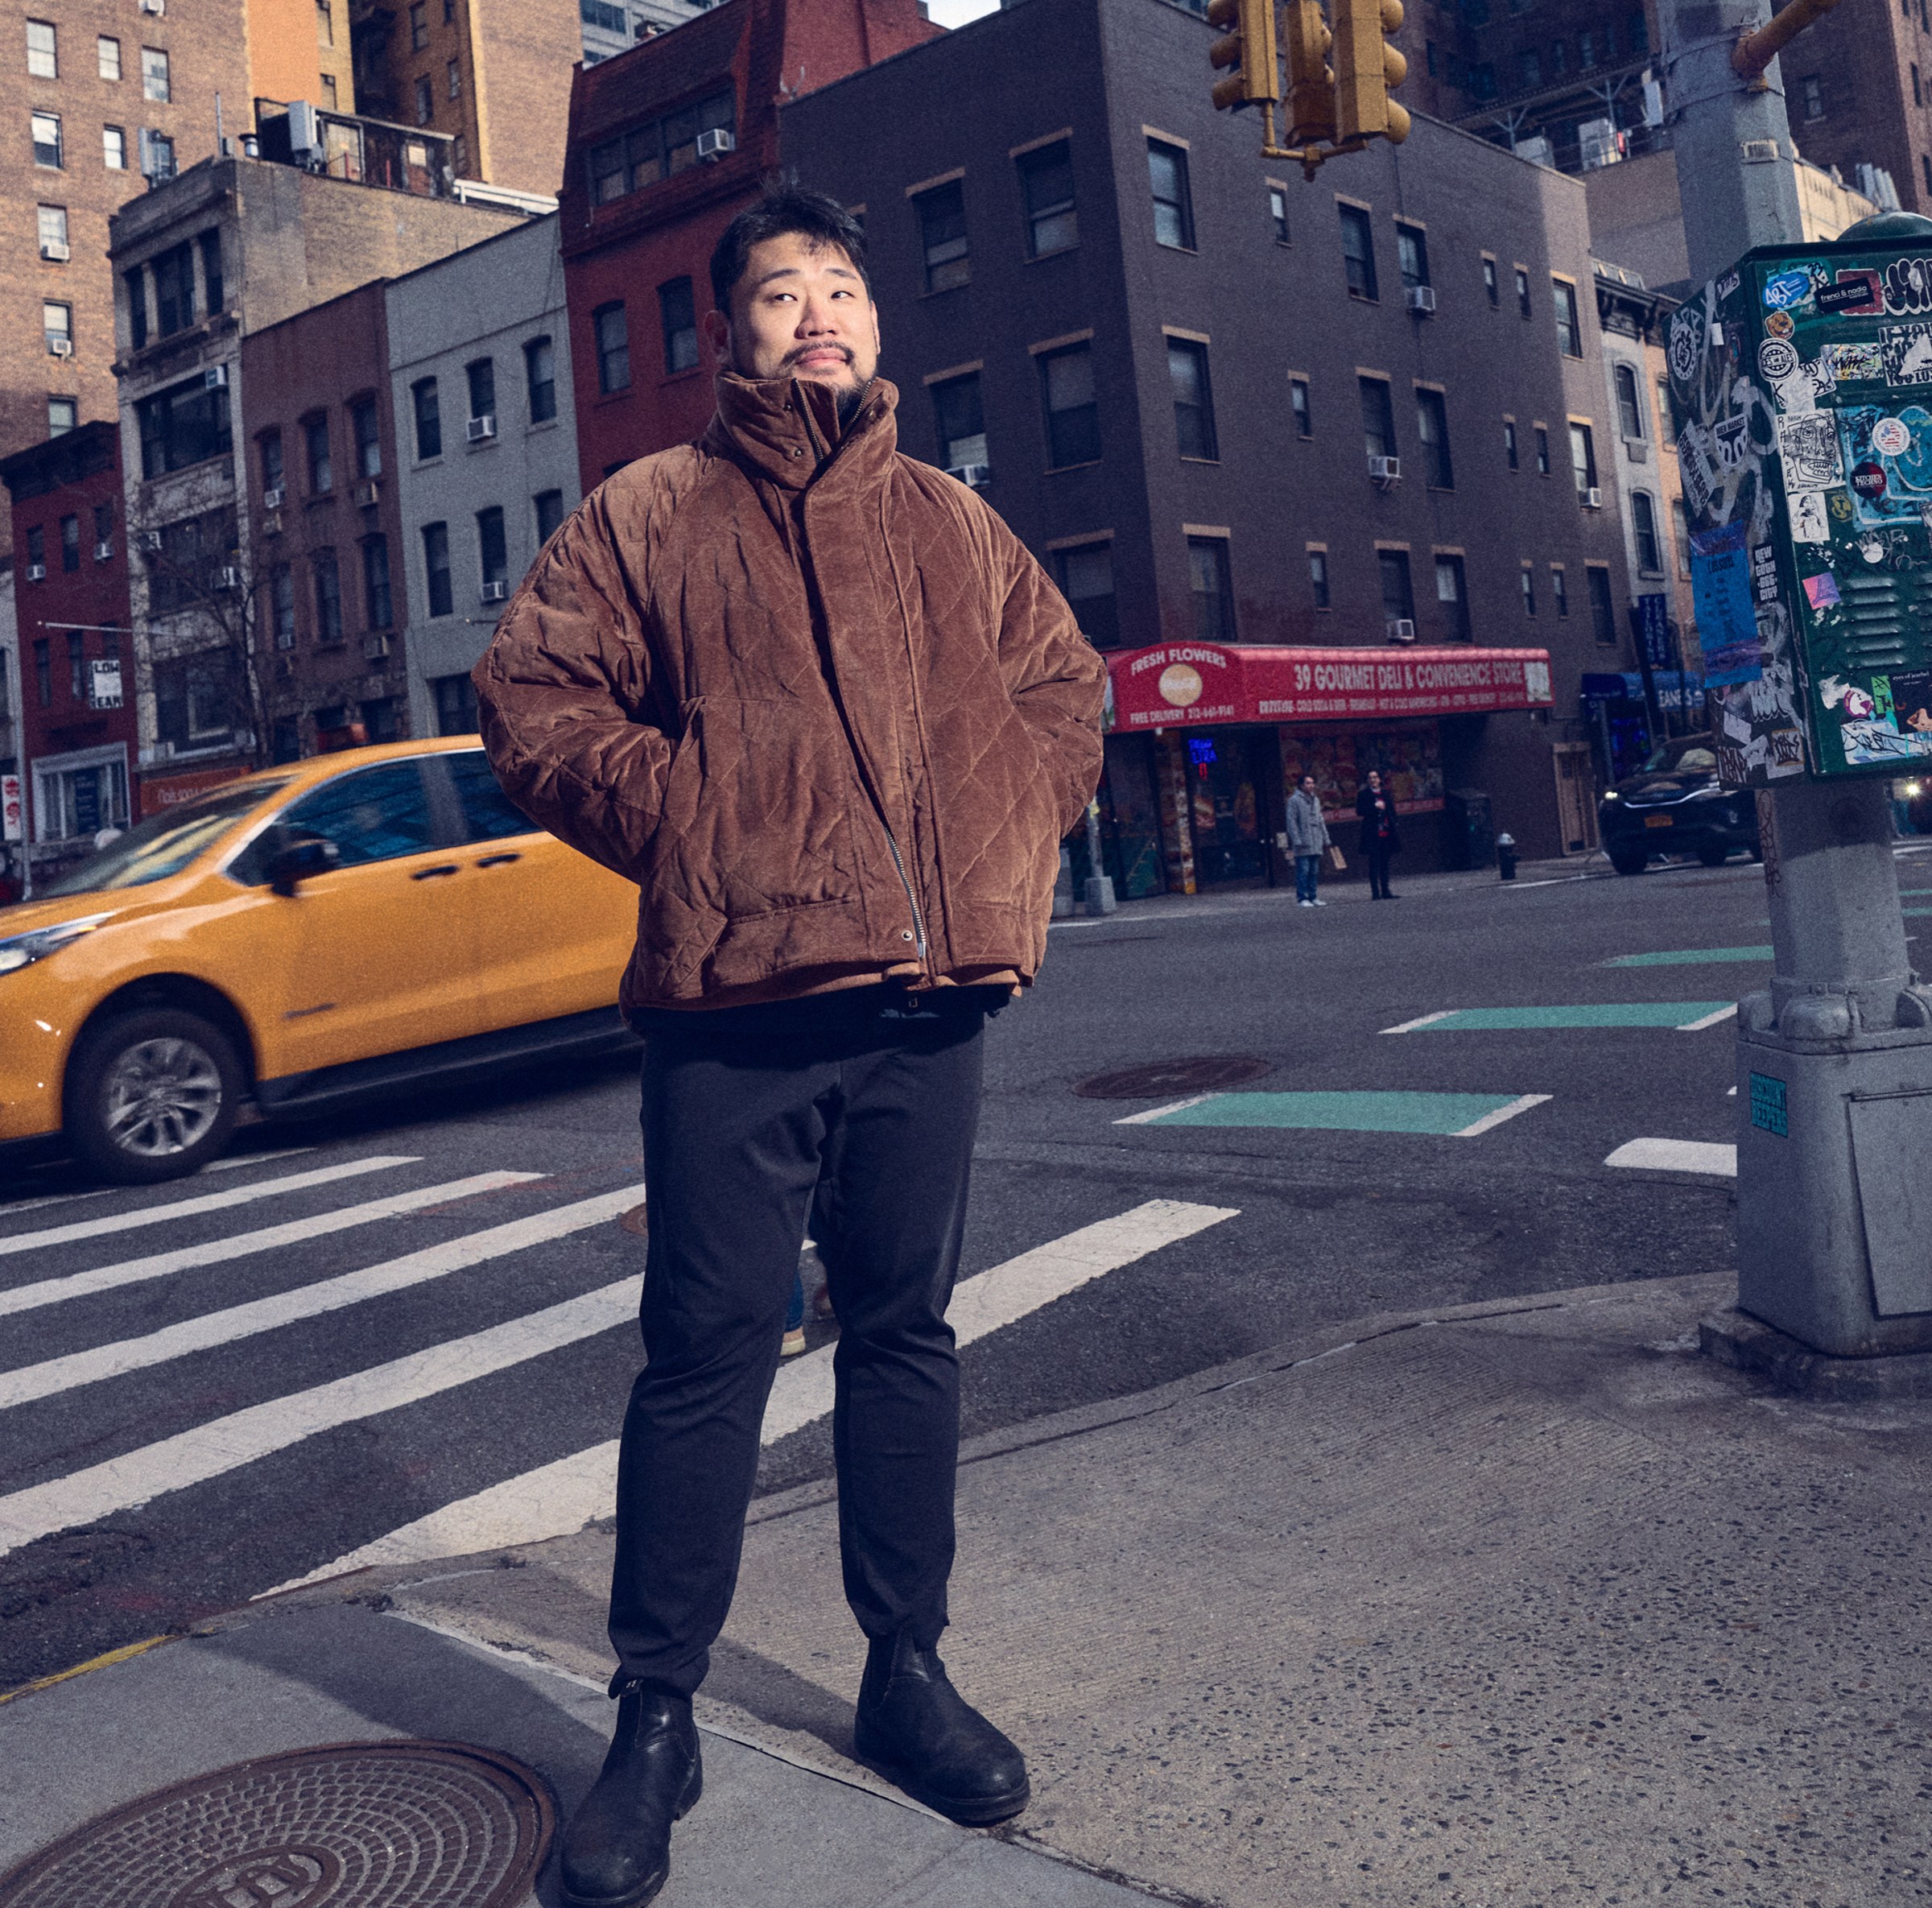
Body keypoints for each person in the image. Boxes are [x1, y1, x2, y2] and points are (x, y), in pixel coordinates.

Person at [475, 183, 1106, 1908]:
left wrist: (1007, 827)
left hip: (930, 1006)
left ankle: (906, 1672)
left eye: (839, 286)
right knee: (703, 1355)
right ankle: (653, 1721)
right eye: (777, 292)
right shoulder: (651, 513)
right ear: (729, 334)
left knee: (906, 1333)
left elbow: (1066, 692)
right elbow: (531, 698)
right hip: (738, 1012)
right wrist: (696, 819)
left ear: (875, 324)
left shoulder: (952, 522)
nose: (815, 311)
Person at [1282, 772, 1331, 907]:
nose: (1311, 786)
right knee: (1303, 870)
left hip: (1316, 839)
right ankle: (1302, 897)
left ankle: (1313, 896)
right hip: (1303, 841)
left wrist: (1326, 838)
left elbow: (1320, 819)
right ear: (1301, 785)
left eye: (1312, 783)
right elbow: (1291, 821)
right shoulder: (1294, 800)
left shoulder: (1316, 799)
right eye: (1308, 783)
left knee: (1314, 871)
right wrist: (1296, 840)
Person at [1356, 768, 1402, 898]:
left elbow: (1392, 811)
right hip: (1372, 834)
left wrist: (1394, 823)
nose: (1373, 780)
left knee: (1385, 863)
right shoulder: (1364, 794)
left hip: (1386, 832)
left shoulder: (1386, 794)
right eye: (1370, 778)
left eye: (1375, 777)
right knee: (1374, 863)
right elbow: (1360, 811)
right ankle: (1375, 892)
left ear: (1379, 779)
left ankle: (1386, 890)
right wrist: (1374, 807)